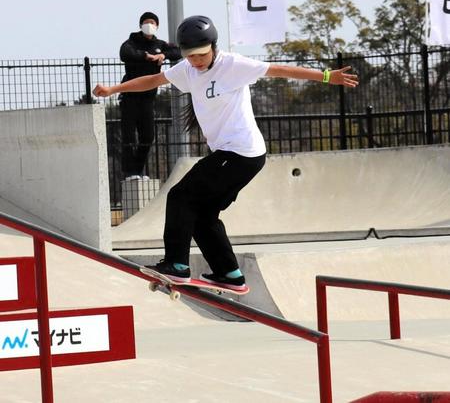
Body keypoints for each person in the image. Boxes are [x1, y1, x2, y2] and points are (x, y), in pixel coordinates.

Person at [94, 15, 358, 290]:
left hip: (241, 153)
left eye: (201, 55)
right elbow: (154, 80)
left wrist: (328, 76)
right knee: (202, 214)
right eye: (190, 56)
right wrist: (115, 89)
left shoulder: (234, 65)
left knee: (180, 196)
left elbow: (280, 70)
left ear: (213, 46)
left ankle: (177, 265)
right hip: (234, 155)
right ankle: (229, 274)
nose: (196, 61)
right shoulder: (187, 69)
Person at [119, 11, 181, 180]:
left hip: (148, 98)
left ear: (157, 26)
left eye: (152, 22)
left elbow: (179, 52)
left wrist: (163, 55)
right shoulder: (132, 42)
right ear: (140, 25)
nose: (149, 25)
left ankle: (138, 170)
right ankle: (129, 172)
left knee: (147, 136)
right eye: (146, 22)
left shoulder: (160, 44)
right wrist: (145, 56)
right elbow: (125, 53)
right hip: (130, 96)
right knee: (129, 136)